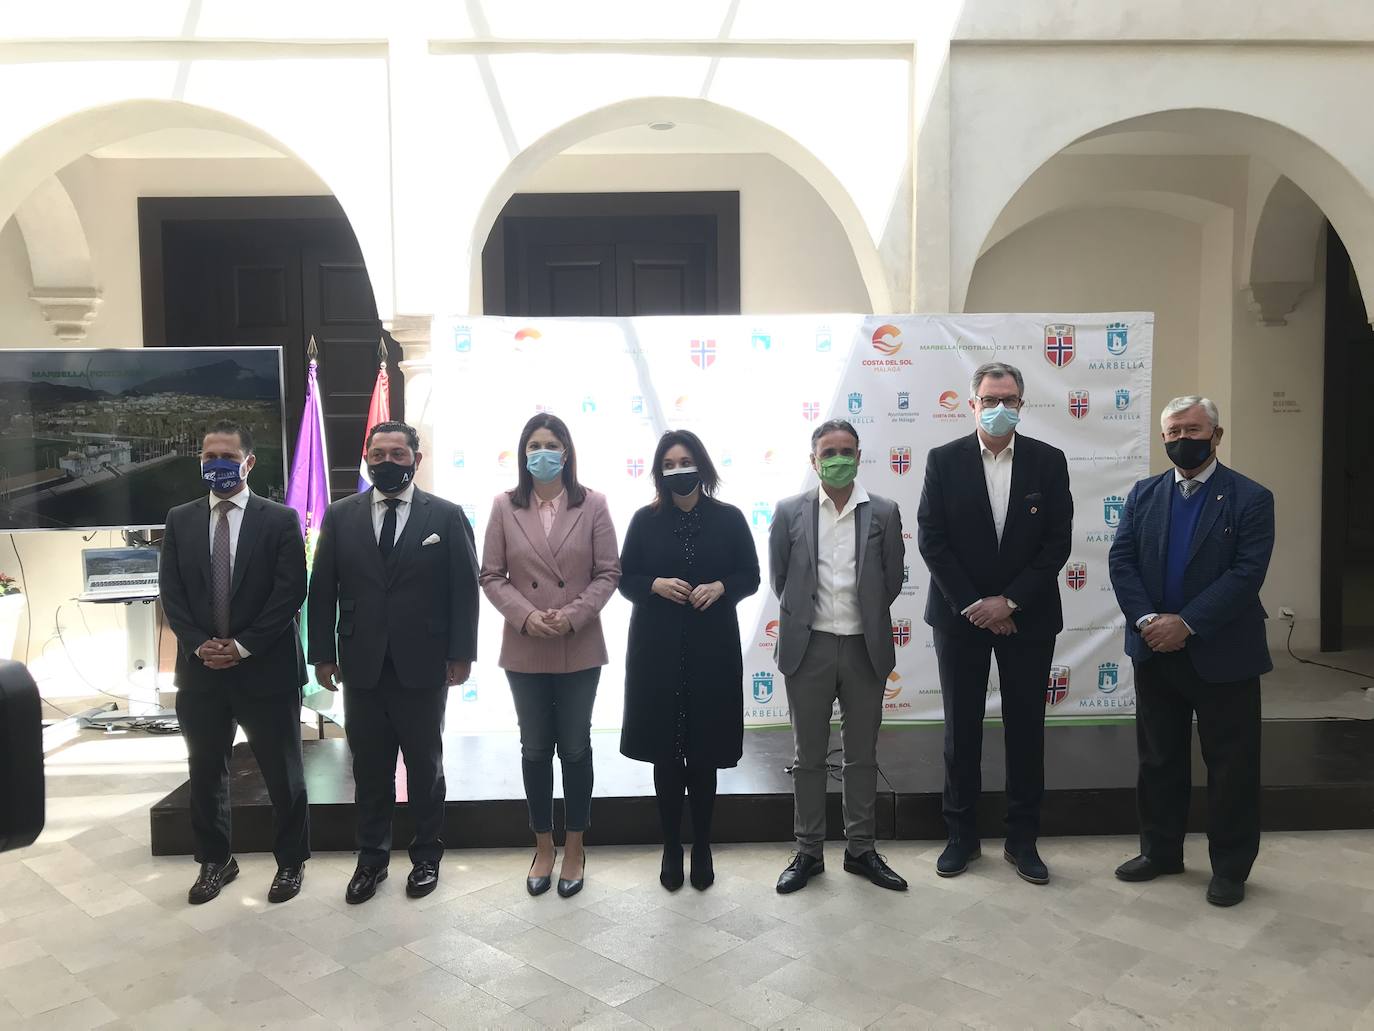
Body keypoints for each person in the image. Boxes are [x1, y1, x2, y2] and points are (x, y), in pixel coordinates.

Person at [1108, 396, 1274, 907]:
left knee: (1231, 765)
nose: (1184, 438)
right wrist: (1147, 621)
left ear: (1217, 435)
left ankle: (1229, 867)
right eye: (1174, 431)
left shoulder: (1250, 496)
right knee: (1159, 759)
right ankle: (1160, 852)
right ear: (1163, 439)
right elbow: (1122, 560)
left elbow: (1247, 573)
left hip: (1224, 652)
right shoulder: (1144, 493)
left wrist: (1188, 624)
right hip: (1155, 649)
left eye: (1195, 429)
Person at [307, 420, 479, 905]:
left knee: (425, 767)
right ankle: (371, 860)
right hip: (360, 664)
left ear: (416, 460)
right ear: (367, 458)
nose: (387, 462)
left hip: (423, 663)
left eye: (398, 455)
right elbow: (322, 592)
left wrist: (462, 653)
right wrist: (321, 654)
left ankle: (426, 855)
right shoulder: (340, 516)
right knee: (370, 769)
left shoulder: (444, 516)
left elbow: (464, 590)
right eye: (378, 454)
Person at [916, 362, 1072, 885]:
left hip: (1028, 618)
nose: (998, 407)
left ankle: (1022, 840)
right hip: (961, 618)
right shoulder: (943, 461)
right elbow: (931, 539)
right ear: (972, 403)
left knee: (1026, 729)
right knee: (961, 730)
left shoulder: (1048, 462)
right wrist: (975, 605)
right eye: (988, 399)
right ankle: (961, 837)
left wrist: (1010, 603)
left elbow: (1057, 542)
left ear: (1022, 404)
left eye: (1008, 399)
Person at [159, 420, 309, 905]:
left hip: (265, 668)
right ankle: (215, 860)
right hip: (200, 670)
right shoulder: (179, 520)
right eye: (208, 457)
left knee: (281, 771)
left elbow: (290, 593)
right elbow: (173, 594)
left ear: (248, 461)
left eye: (226, 456)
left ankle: (290, 862)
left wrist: (242, 645)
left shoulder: (280, 519)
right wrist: (201, 643)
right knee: (205, 770)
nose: (215, 464)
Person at [480, 414, 621, 899]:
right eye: (534, 445)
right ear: (523, 454)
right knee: (536, 748)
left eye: (552, 444)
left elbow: (608, 572)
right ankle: (543, 845)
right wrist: (525, 615)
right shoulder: (503, 506)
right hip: (525, 644)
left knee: (576, 747)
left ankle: (576, 846)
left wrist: (574, 613)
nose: (543, 452)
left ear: (567, 452)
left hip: (578, 644)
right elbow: (491, 575)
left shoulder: (593, 504)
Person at [770, 419, 908, 894]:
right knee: (807, 757)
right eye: (828, 452)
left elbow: (892, 580)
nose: (838, 459)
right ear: (813, 460)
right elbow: (780, 577)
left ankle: (860, 849)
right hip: (807, 649)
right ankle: (808, 851)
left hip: (864, 648)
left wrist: (863, 617)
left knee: (861, 756)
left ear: (859, 455)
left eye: (847, 450)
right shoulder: (789, 511)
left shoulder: (885, 512)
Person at [618, 430, 759, 891]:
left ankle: (701, 844)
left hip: (711, 648)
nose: (679, 470)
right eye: (669, 463)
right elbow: (624, 578)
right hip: (656, 650)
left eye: (686, 460)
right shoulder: (644, 519)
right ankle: (670, 846)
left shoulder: (730, 518)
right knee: (665, 752)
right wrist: (654, 585)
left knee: (703, 755)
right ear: (659, 472)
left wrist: (722, 587)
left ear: (702, 465)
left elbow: (750, 576)